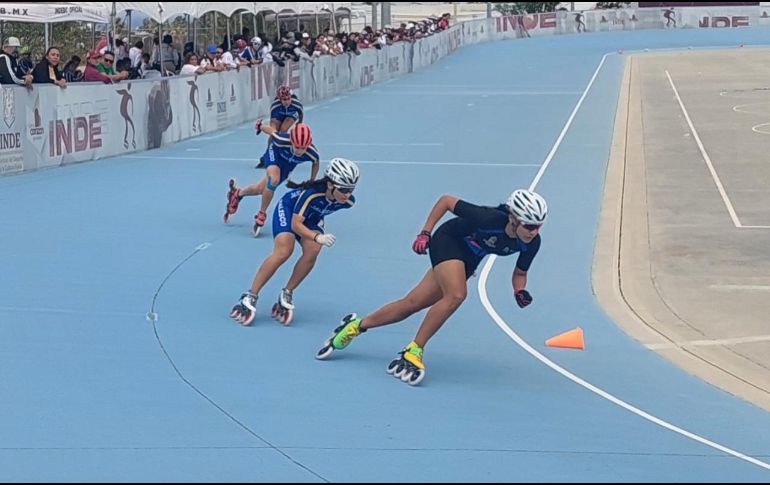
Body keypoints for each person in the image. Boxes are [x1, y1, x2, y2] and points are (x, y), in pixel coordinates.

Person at [315, 189, 548, 386]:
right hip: (448, 241)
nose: (534, 231)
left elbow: (520, 273)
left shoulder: (532, 243)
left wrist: (519, 291)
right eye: (529, 225)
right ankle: (414, 350)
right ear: (514, 219)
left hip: (468, 259)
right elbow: (446, 201)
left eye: (538, 226)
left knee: (411, 303)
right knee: (456, 295)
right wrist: (425, 232)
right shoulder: (488, 218)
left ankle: (355, 326)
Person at [229, 158, 360, 326]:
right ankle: (250, 295)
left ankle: (287, 292)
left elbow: (313, 217)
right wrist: (316, 236)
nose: (348, 194)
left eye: (351, 189)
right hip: (290, 210)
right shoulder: (312, 194)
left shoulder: (348, 202)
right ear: (330, 185)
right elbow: (295, 224)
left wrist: (315, 238)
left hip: (311, 217)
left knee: (313, 250)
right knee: (284, 251)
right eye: (343, 189)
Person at [224, 121, 319, 237]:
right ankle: (261, 214)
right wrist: (260, 126)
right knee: (274, 180)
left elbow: (316, 163)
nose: (299, 151)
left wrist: (312, 180)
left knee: (260, 189)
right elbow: (271, 131)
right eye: (297, 147)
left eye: (303, 148)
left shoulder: (312, 153)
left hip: (287, 166)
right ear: (292, 142)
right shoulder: (282, 140)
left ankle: (238, 194)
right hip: (274, 153)